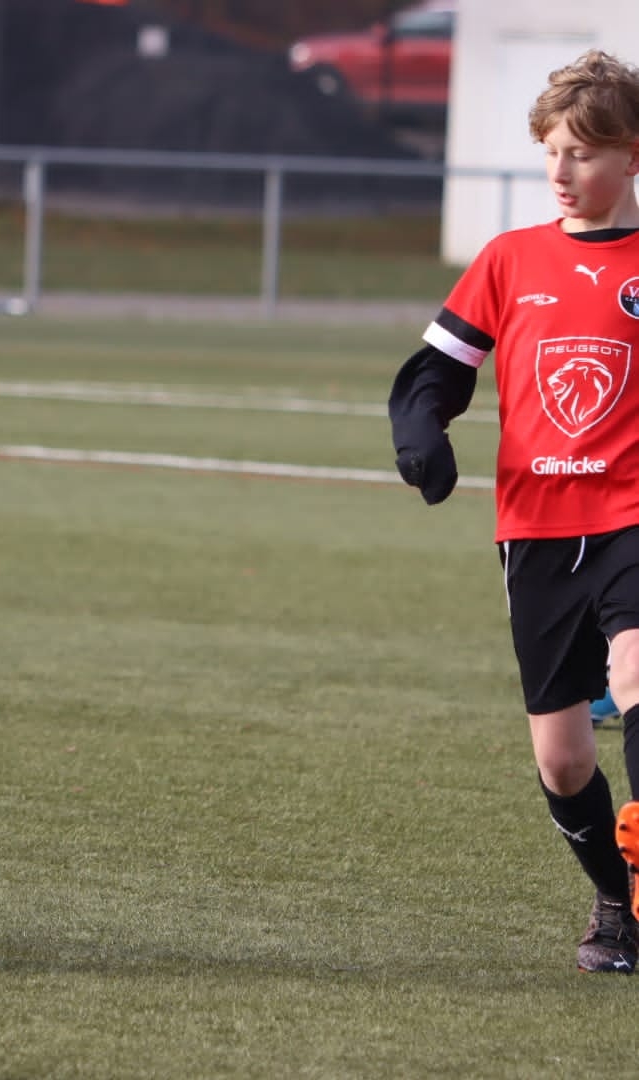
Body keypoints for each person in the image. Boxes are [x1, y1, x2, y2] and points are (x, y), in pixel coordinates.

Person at [389, 48, 639, 974]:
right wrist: (421, 431)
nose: (562, 172)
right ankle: (616, 902)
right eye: (552, 153)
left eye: (584, 153)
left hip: (631, 513)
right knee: (564, 761)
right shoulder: (509, 259)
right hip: (536, 528)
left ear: (633, 155)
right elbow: (436, 373)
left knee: (638, 669)